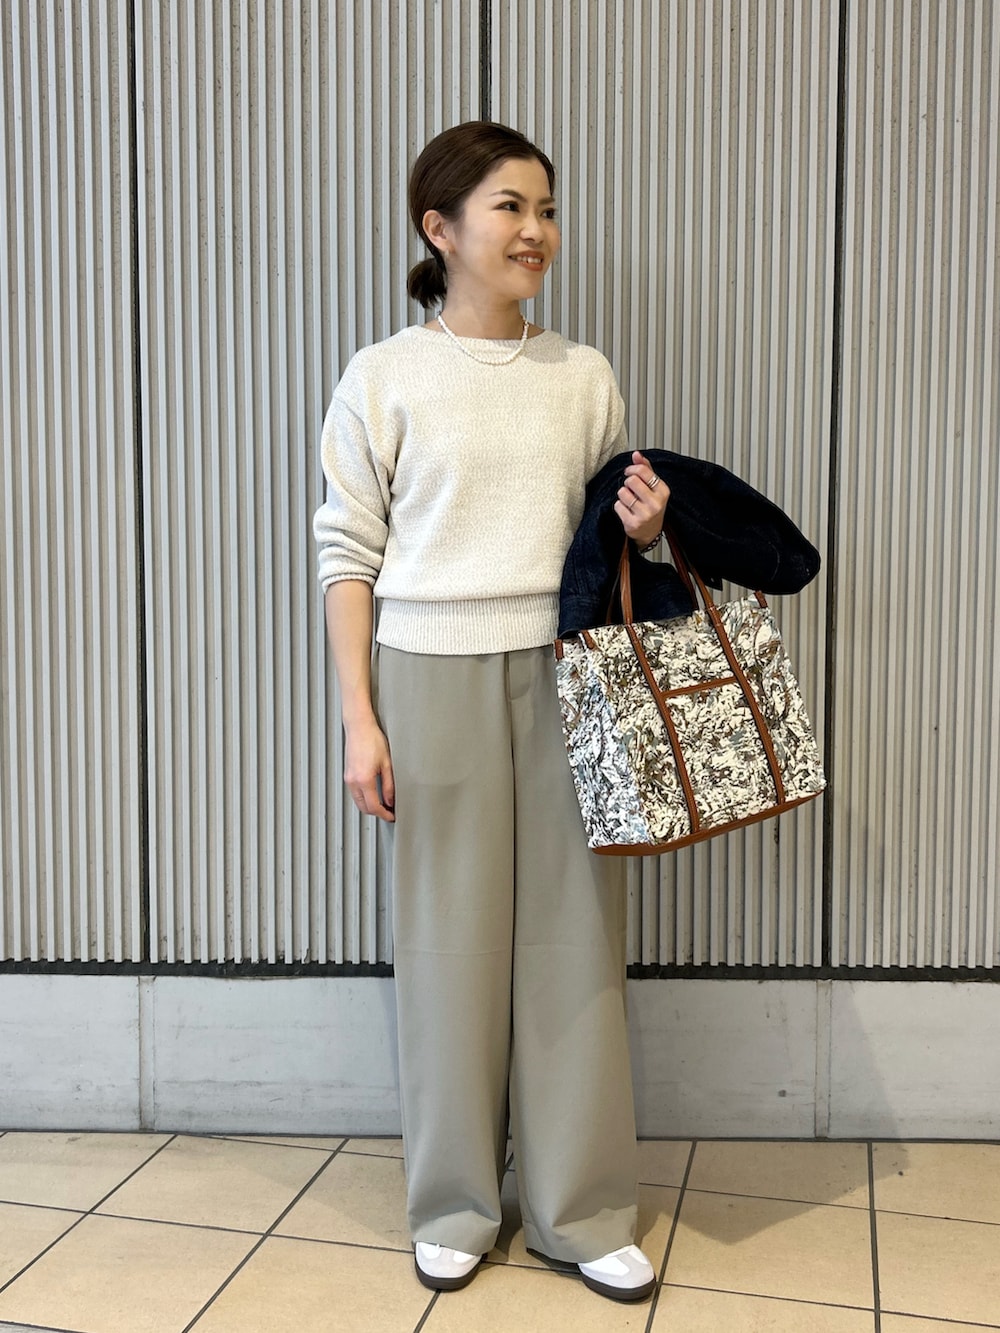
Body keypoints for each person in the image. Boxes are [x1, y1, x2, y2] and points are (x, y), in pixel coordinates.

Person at [313, 121, 669, 1303]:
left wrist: (645, 527)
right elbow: (347, 555)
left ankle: (582, 1208)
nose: (536, 232)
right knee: (447, 945)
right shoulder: (382, 376)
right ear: (441, 228)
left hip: (568, 672)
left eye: (546, 209)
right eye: (510, 207)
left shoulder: (583, 374)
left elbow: (603, 543)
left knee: (576, 942)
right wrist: (362, 720)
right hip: (429, 674)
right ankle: (455, 1201)